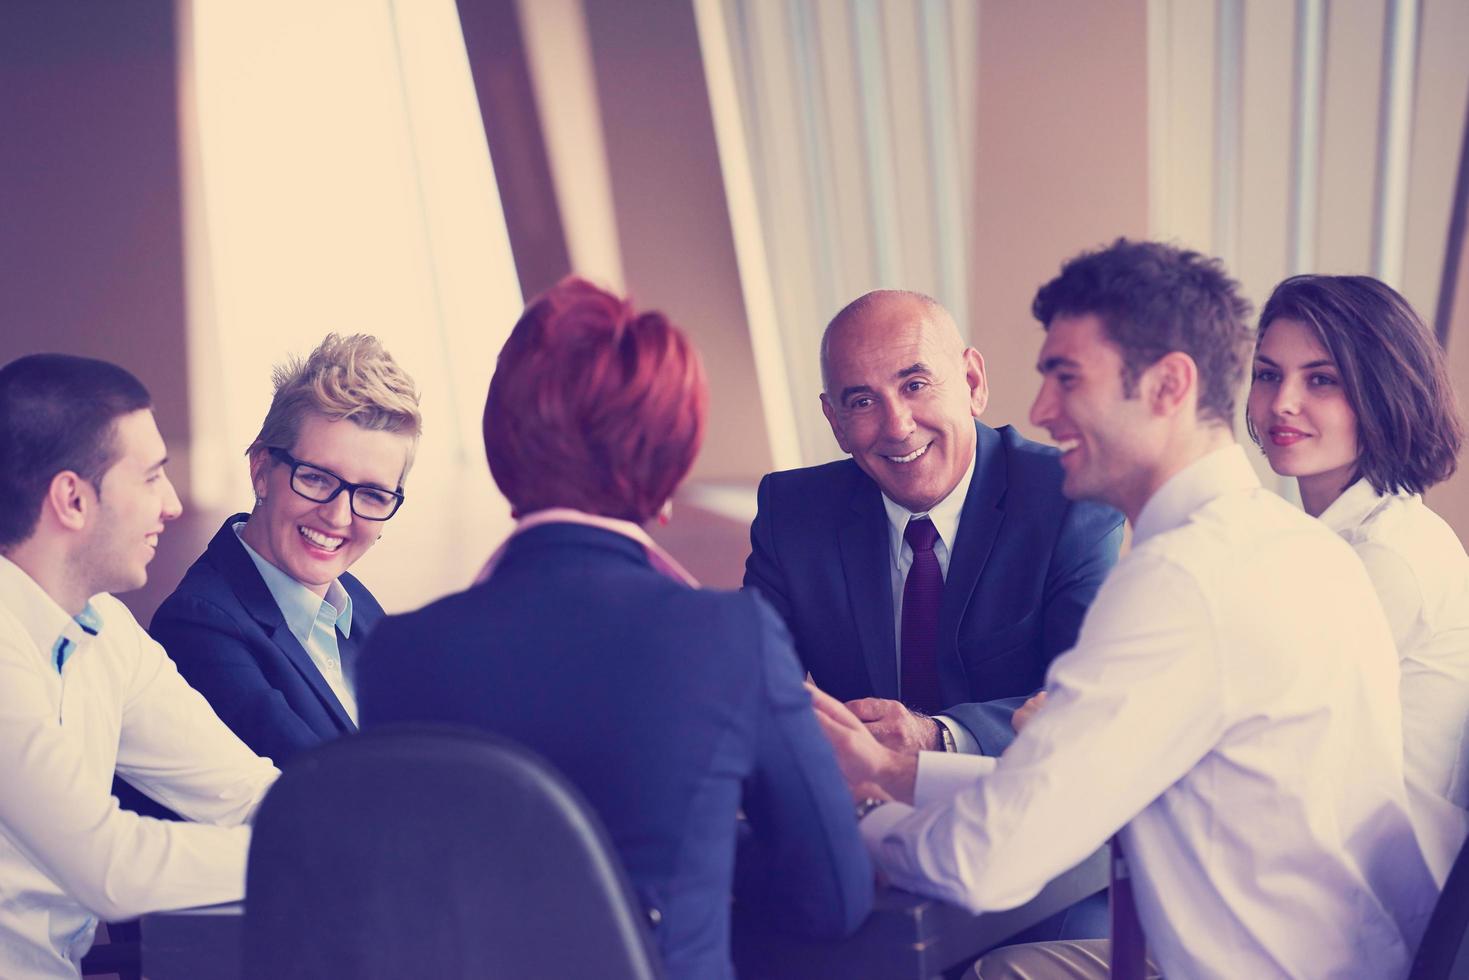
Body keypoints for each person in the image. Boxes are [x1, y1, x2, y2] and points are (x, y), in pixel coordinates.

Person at [807, 240, 1438, 978]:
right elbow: (1076, 781)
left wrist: (859, 814)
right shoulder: (1297, 545)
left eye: (1066, 378)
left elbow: (981, 862)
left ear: (1168, 385)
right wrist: (888, 767)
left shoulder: (1180, 584)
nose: (1040, 410)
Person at [357, 278, 873, 979]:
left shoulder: (397, 652)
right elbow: (832, 898)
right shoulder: (728, 636)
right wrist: (694, 866)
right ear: (670, 461)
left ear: (503, 443)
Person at [744, 290, 1123, 759]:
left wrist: (939, 736)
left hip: (1019, 805)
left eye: (915, 385)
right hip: (862, 812)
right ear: (836, 422)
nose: (898, 426)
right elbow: (750, 685)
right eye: (862, 401)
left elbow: (1092, 699)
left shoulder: (1074, 500)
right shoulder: (793, 514)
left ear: (972, 382)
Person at [0, 354, 278, 979]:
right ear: (72, 498)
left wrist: (371, 826)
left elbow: (240, 790)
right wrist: (307, 847)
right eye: (152, 477)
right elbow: (112, 869)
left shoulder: (104, 626)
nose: (173, 505)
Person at [1247, 274, 1469, 885]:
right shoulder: (1323, 543)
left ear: (1382, 392)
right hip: (1304, 877)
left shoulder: (1385, 555)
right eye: (1268, 374)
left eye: (1322, 379)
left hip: (1359, 914)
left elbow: (1263, 747)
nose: (1282, 402)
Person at [148, 334, 420, 766]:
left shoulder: (357, 606)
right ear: (261, 470)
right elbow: (322, 790)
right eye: (316, 478)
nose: (338, 517)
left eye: (371, 495)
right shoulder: (198, 628)